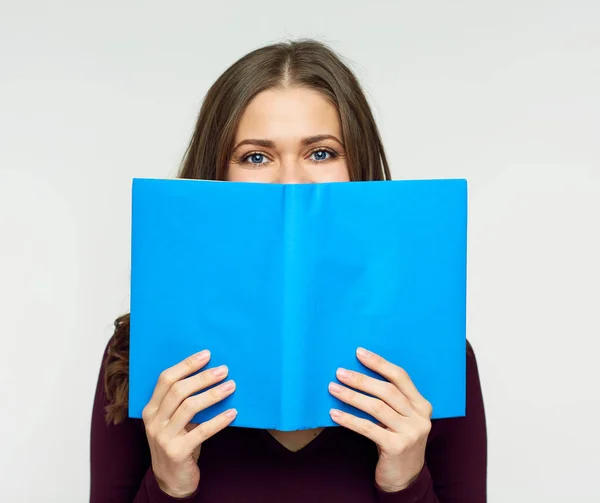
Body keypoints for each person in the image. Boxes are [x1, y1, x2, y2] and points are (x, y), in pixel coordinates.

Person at [90, 39, 487, 503]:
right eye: (256, 157)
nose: (291, 182)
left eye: (321, 153)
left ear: (357, 168)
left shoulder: (437, 362)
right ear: (217, 172)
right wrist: (168, 487)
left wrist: (403, 484)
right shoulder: (137, 360)